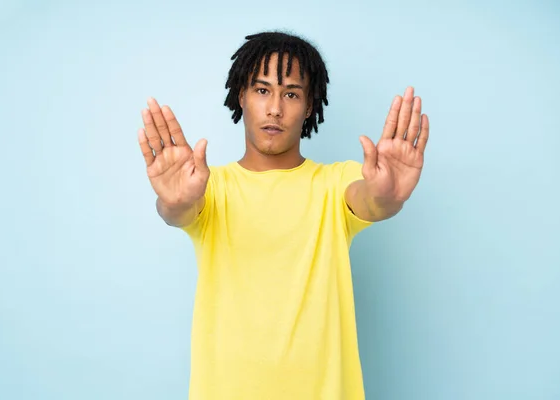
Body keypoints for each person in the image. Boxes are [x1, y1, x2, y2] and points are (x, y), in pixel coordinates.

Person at [137, 31, 429, 400]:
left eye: (291, 93)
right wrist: (175, 200)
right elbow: (177, 210)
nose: (275, 108)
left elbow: (370, 200)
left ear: (308, 106)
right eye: (262, 91)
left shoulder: (334, 182)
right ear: (241, 95)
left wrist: (388, 196)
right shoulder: (212, 187)